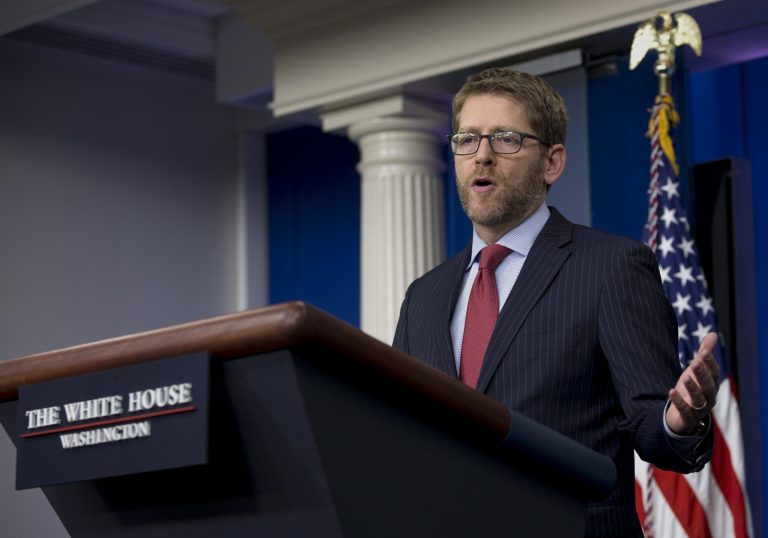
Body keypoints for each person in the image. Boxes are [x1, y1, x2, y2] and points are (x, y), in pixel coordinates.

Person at [392, 68, 720, 538]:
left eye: (505, 138)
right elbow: (400, 436)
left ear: (552, 163)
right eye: (467, 139)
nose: (482, 155)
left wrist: (679, 420)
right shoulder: (422, 296)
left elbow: (654, 427)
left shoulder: (612, 266)